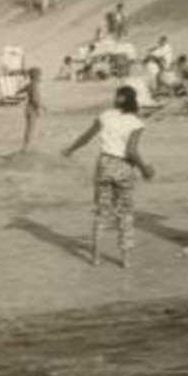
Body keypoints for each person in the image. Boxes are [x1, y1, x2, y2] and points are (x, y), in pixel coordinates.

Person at [62, 84, 155, 269]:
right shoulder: (136, 122)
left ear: (117, 98)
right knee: (125, 213)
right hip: (123, 167)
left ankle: (95, 257)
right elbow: (131, 151)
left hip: (104, 164)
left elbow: (86, 137)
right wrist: (145, 169)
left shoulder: (105, 116)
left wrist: (70, 149)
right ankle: (126, 258)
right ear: (133, 100)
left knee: (102, 211)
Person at [19, 67, 44, 154]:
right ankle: (26, 147)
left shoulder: (30, 84)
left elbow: (21, 90)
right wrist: (41, 107)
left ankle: (25, 146)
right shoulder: (35, 86)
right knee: (31, 129)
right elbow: (35, 100)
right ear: (36, 77)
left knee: (28, 128)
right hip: (33, 110)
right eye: (40, 76)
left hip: (27, 109)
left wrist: (18, 92)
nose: (41, 78)